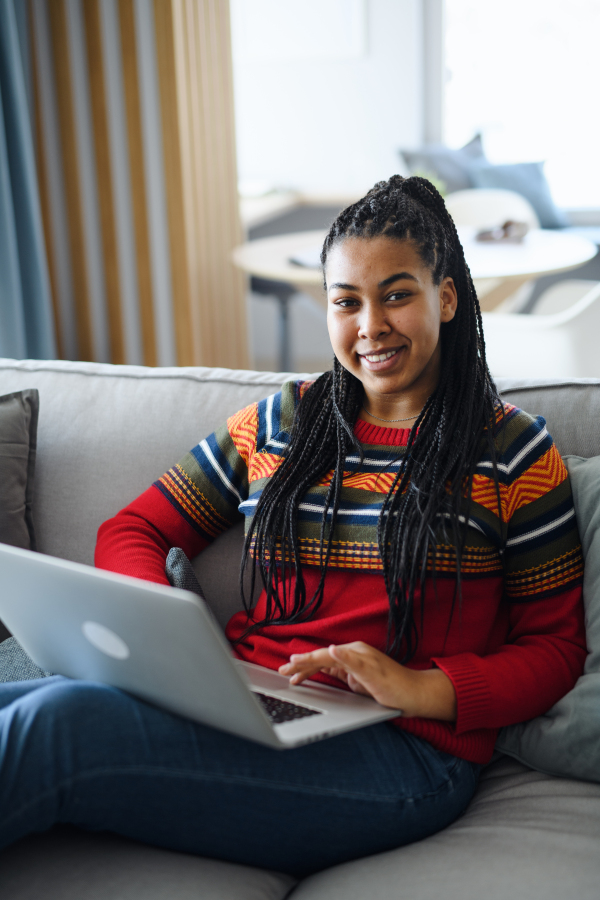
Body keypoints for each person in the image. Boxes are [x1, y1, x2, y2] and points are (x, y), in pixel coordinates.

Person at [0, 176, 586, 875]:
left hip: (402, 755)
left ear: (448, 297)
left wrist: (420, 688)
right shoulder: (282, 423)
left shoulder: (516, 454)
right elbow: (135, 529)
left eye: (397, 294)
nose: (370, 326)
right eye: (347, 302)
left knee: (59, 727)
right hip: (247, 700)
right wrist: (175, 648)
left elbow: (554, 649)